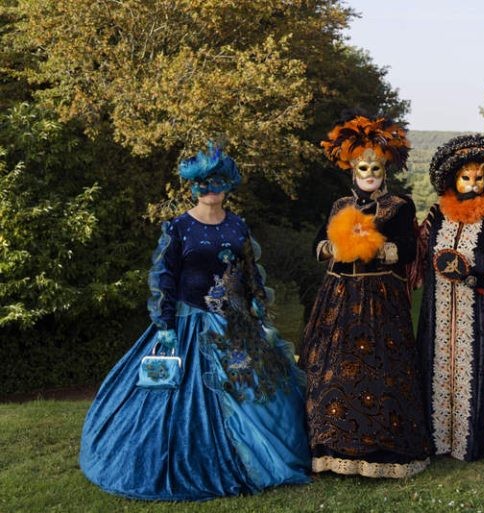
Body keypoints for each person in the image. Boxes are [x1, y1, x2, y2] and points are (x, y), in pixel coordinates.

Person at [80, 144, 310, 501]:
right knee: (163, 402)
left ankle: (265, 459)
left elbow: (250, 275)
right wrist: (165, 325)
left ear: (228, 185)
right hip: (186, 326)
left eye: (218, 182)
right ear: (194, 186)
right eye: (204, 182)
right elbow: (164, 280)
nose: (212, 189)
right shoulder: (179, 228)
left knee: (263, 394)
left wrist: (257, 312)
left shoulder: (238, 227)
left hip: (235, 327)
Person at [300, 113, 431, 478]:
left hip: (380, 300)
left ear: (384, 170)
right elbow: (318, 244)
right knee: (333, 370)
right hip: (338, 299)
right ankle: (330, 449)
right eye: (363, 169)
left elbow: (408, 249)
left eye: (375, 168)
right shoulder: (340, 205)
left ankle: (382, 452)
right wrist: (334, 247)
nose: (369, 174)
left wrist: (377, 247)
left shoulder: (400, 206)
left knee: (380, 373)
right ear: (352, 171)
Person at [411, 134, 484, 462]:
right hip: (438, 313)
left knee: (476, 371)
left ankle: (472, 443)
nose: (473, 184)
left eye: (479, 177)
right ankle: (438, 441)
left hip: (479, 313)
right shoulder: (437, 214)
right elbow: (418, 251)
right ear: (453, 177)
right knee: (435, 367)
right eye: (466, 177)